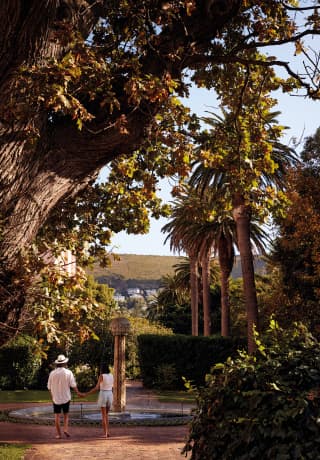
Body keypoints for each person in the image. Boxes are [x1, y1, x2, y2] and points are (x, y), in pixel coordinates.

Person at [47, 354, 82, 439]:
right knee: (66, 415)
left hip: (56, 398)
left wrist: (52, 397)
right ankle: (65, 429)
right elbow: (73, 385)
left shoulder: (52, 373)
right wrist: (78, 393)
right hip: (66, 397)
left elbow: (49, 387)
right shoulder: (68, 372)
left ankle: (59, 434)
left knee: (57, 416)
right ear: (64, 363)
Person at [84, 363, 114, 438]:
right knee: (106, 415)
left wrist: (87, 393)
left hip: (103, 394)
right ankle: (108, 432)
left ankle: (105, 433)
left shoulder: (102, 376)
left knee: (103, 415)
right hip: (110, 394)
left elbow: (96, 388)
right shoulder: (111, 375)